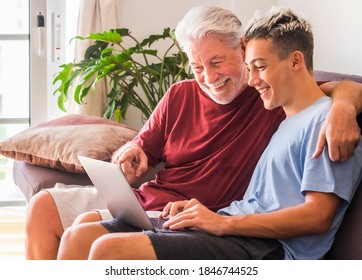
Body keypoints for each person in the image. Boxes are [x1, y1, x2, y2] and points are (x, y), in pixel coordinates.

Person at [26, 6, 362, 260]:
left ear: (241, 50)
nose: (208, 77)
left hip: (238, 231)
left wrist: (345, 108)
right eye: (197, 66)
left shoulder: (280, 103)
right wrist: (131, 154)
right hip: (183, 210)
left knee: (104, 249)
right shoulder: (276, 107)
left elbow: (339, 91)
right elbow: (141, 147)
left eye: (218, 62)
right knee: (76, 236)